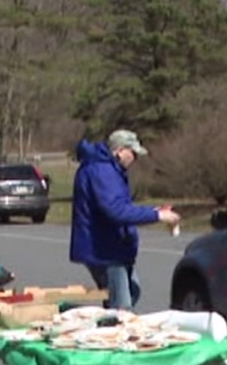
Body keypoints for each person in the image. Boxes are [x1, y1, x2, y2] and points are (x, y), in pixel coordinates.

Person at [69, 129, 180, 309]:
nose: (135, 157)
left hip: (114, 247)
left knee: (131, 292)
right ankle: (112, 329)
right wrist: (157, 216)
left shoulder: (110, 169)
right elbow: (115, 211)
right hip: (104, 250)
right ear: (119, 150)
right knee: (121, 306)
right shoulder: (102, 170)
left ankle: (108, 323)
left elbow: (120, 205)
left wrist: (154, 210)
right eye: (132, 152)